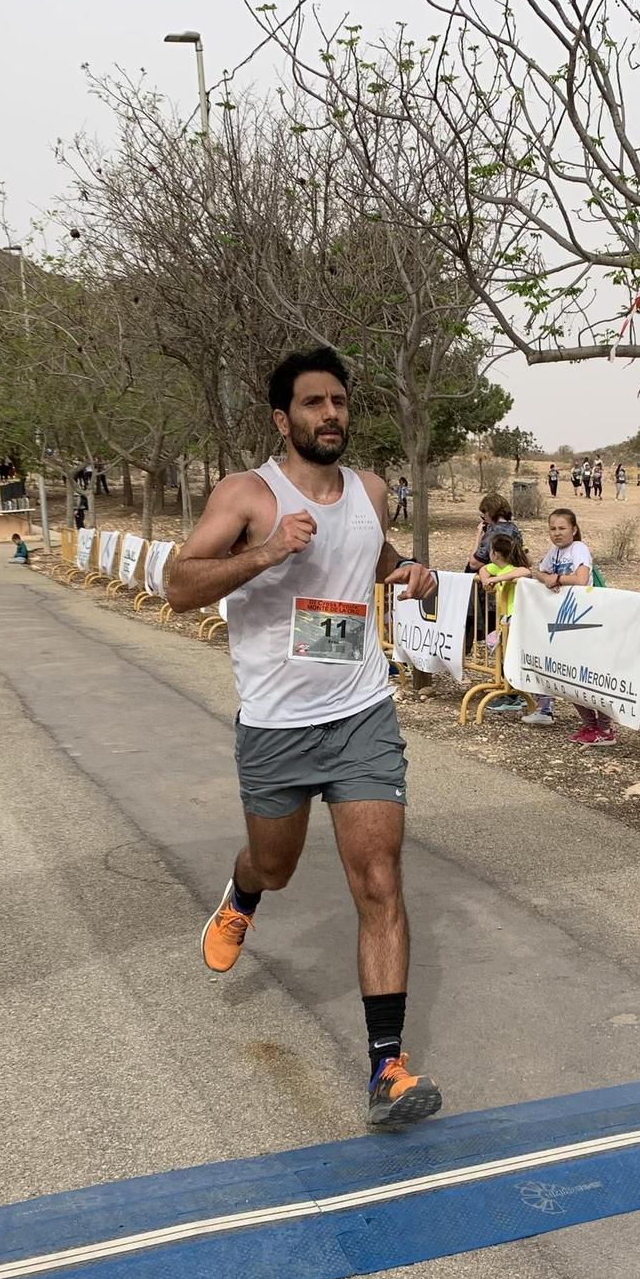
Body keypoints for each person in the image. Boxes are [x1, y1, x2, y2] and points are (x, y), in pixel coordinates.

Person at [167, 345, 443, 1127]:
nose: (332, 415)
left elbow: (371, 553)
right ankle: (244, 892)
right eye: (315, 404)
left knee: (379, 880)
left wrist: (408, 572)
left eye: (340, 402)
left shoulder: (372, 490)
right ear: (283, 419)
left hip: (361, 714)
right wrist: (266, 551)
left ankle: (386, 1069)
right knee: (277, 865)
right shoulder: (248, 494)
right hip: (277, 728)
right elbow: (179, 585)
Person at [503, 508, 612, 744]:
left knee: (588, 678)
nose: (557, 533)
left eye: (562, 528)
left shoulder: (579, 549)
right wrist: (548, 578)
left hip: (584, 622)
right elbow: (540, 572)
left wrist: (558, 579)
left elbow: (581, 579)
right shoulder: (554, 552)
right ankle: (589, 725)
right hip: (564, 624)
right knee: (567, 679)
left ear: (574, 529)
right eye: (552, 529)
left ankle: (605, 728)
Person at [476, 527, 530, 714]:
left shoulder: (512, 570)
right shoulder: (495, 566)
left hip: (516, 618)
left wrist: (499, 578)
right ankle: (509, 690)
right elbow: (483, 569)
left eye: (490, 550)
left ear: (496, 554)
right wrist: (485, 580)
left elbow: (525, 572)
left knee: (511, 656)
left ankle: (514, 695)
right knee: (504, 655)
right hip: (505, 619)